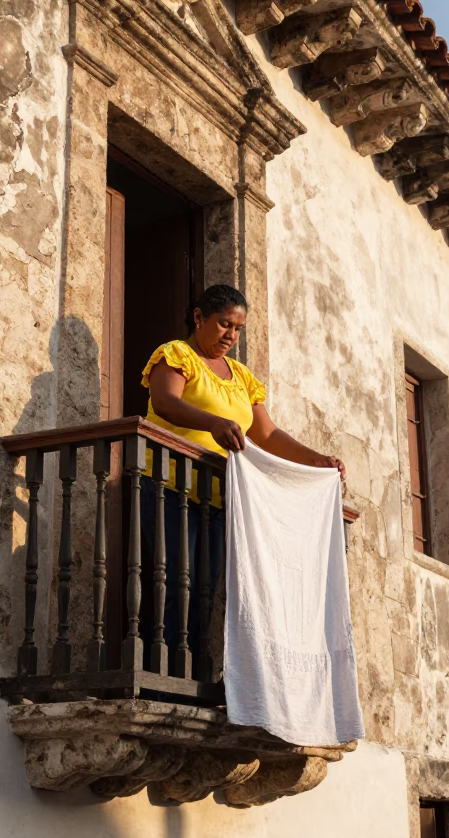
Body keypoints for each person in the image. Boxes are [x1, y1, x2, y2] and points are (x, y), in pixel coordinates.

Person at [139, 284, 345, 668]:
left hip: (217, 499)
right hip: (169, 485)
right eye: (223, 325)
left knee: (203, 588)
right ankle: (163, 671)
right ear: (198, 317)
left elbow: (266, 434)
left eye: (237, 328)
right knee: (173, 581)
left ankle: (191, 670)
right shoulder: (177, 355)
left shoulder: (241, 376)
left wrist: (318, 460)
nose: (230, 335)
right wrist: (214, 422)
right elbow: (165, 402)